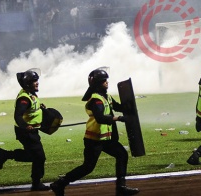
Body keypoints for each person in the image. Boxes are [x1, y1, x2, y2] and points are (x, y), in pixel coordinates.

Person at [50, 68, 139, 196]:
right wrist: (118, 118)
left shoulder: (106, 96)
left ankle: (121, 187)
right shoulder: (95, 100)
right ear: (97, 84)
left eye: (106, 80)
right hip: (94, 140)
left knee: (122, 155)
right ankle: (60, 183)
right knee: (88, 167)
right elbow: (100, 118)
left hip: (106, 139)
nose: (107, 82)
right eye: (104, 81)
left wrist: (129, 106)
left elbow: (118, 107)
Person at [0, 69, 50, 191]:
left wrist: (41, 108)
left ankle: (6, 154)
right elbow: (17, 116)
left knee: (35, 156)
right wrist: (26, 126)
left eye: (37, 80)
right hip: (26, 132)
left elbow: (31, 109)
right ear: (27, 83)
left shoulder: (31, 94)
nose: (37, 83)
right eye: (34, 81)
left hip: (31, 131)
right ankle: (36, 183)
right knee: (39, 157)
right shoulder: (24, 98)